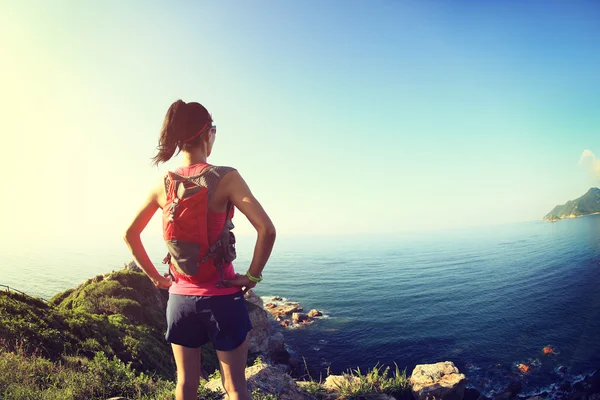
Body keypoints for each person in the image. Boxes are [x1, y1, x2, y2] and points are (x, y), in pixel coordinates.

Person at [123, 100, 276, 400]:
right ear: (207, 134)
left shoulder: (162, 184)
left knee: (185, 384)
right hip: (223, 298)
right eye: (214, 130)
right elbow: (267, 230)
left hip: (180, 301)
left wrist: (158, 279)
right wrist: (252, 277)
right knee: (234, 387)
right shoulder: (226, 177)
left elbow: (130, 235)